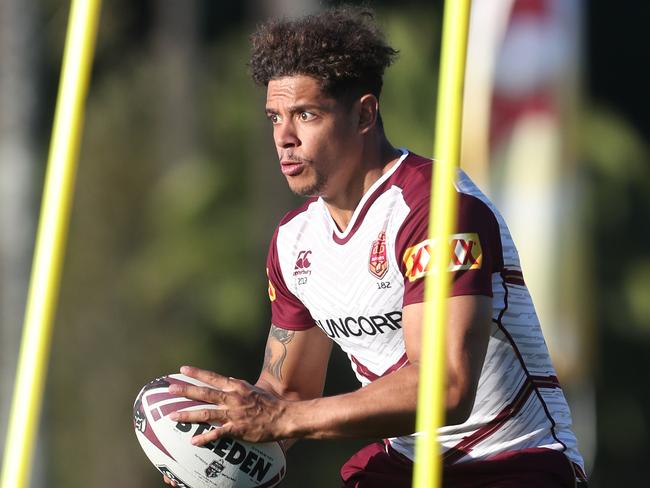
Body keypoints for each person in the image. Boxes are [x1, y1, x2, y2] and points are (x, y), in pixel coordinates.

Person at [163, 6, 587, 487]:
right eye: (275, 117)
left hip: (513, 463)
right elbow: (288, 392)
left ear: (364, 113)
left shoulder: (436, 210)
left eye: (306, 114)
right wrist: (215, 450)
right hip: (407, 465)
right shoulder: (292, 241)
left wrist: (280, 418)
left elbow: (446, 387)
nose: (284, 137)